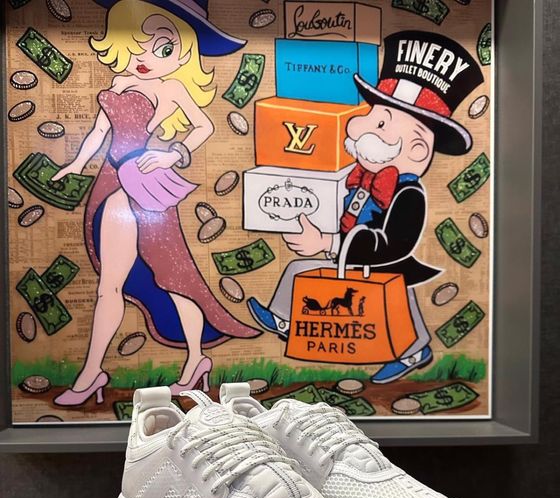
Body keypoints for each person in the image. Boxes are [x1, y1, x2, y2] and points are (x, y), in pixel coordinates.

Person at [54, 0, 259, 407]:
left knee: (174, 278)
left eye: (164, 48)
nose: (146, 57)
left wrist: (171, 155)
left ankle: (196, 359)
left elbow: (203, 126)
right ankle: (93, 371)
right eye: (137, 43)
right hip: (111, 182)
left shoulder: (171, 88)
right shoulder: (117, 84)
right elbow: (98, 133)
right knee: (111, 283)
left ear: (183, 54)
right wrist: (76, 163)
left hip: (146, 184)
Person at [248, 30, 483, 383]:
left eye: (380, 122)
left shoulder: (408, 194)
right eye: (372, 116)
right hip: (351, 255)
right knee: (298, 269)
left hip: (384, 262)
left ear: (417, 149)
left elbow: (393, 245)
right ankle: (284, 319)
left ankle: (414, 350)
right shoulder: (360, 176)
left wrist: (329, 243)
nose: (357, 126)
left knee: (399, 295)